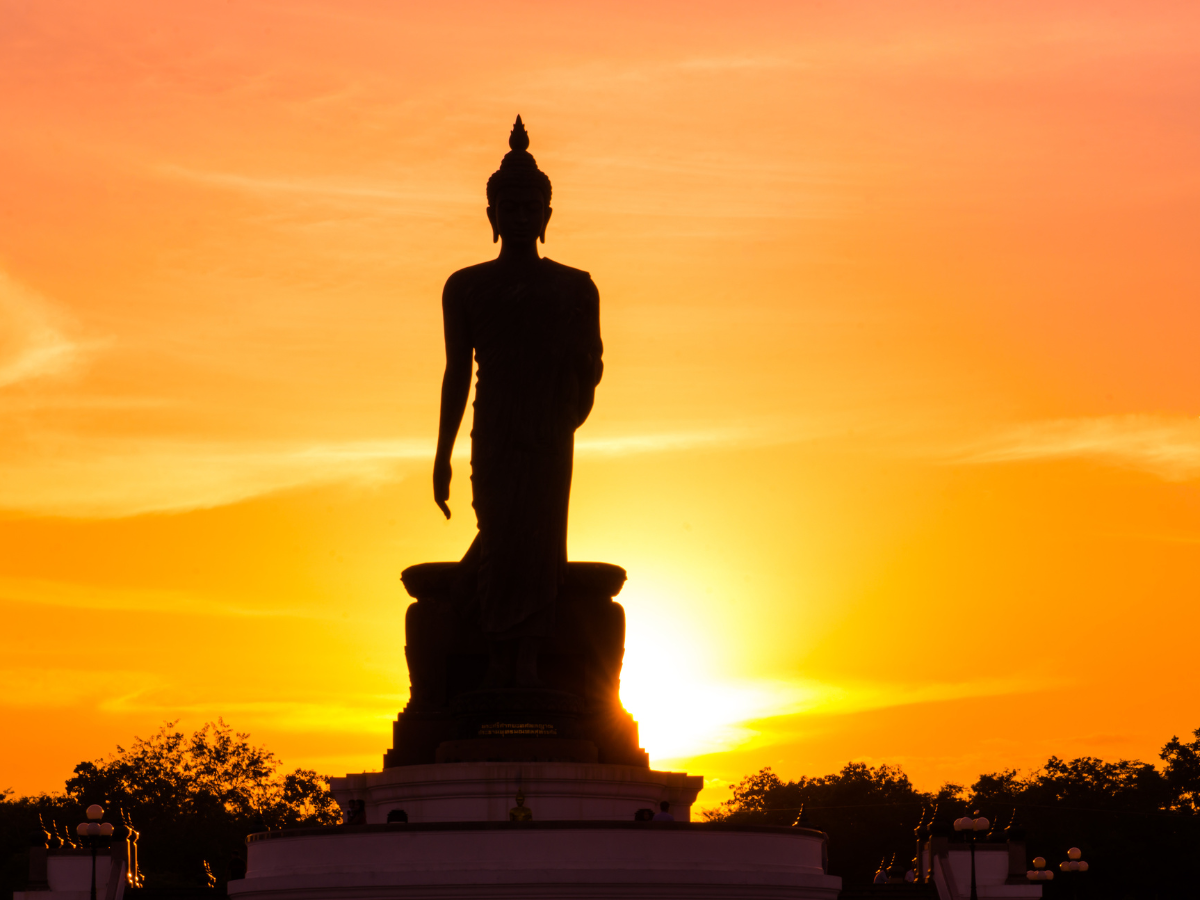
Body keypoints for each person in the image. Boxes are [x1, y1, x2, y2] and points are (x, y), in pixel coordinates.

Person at [433, 116, 603, 688]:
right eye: (511, 208)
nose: (522, 217)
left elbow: (590, 368)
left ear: (547, 216)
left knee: (538, 537)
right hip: (496, 423)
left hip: (550, 428)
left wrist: (565, 409)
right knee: (502, 532)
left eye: (533, 208)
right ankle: (495, 649)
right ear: (492, 216)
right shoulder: (466, 286)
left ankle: (525, 657)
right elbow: (457, 372)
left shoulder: (575, 287)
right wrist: (441, 455)